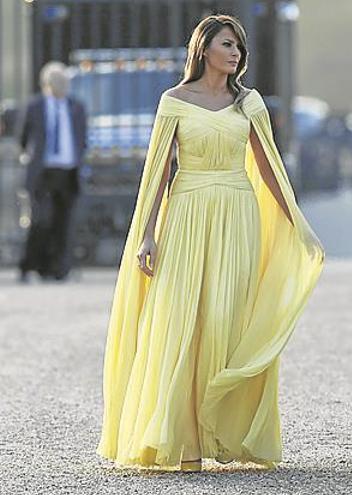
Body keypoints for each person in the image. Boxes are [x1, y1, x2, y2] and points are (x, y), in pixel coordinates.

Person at [97, 14, 324, 472]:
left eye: (239, 45)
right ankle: (182, 444)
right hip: (184, 215)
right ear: (204, 50)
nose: (236, 52)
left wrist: (297, 224)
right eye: (227, 44)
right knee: (182, 318)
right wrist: (146, 234)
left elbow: (270, 169)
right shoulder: (174, 101)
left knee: (225, 318)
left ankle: (224, 434)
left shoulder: (250, 103)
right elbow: (158, 170)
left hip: (237, 215)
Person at [17, 61, 87, 282]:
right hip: (43, 172)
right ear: (47, 84)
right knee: (40, 220)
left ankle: (59, 269)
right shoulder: (35, 106)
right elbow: (23, 137)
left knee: (64, 221)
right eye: (57, 82)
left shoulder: (76, 106)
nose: (62, 86)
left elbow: (82, 137)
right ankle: (30, 266)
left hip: (67, 171)